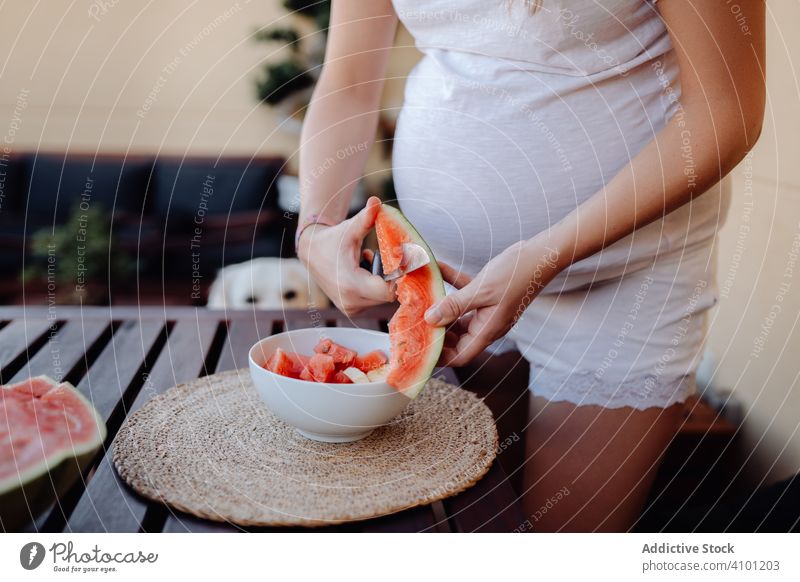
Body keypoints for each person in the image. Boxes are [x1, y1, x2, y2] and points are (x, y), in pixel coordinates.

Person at [296, 0, 765, 531]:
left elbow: (726, 112)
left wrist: (547, 255)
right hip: (446, 286)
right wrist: (315, 226)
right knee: (448, 529)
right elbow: (350, 78)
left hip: (619, 289)